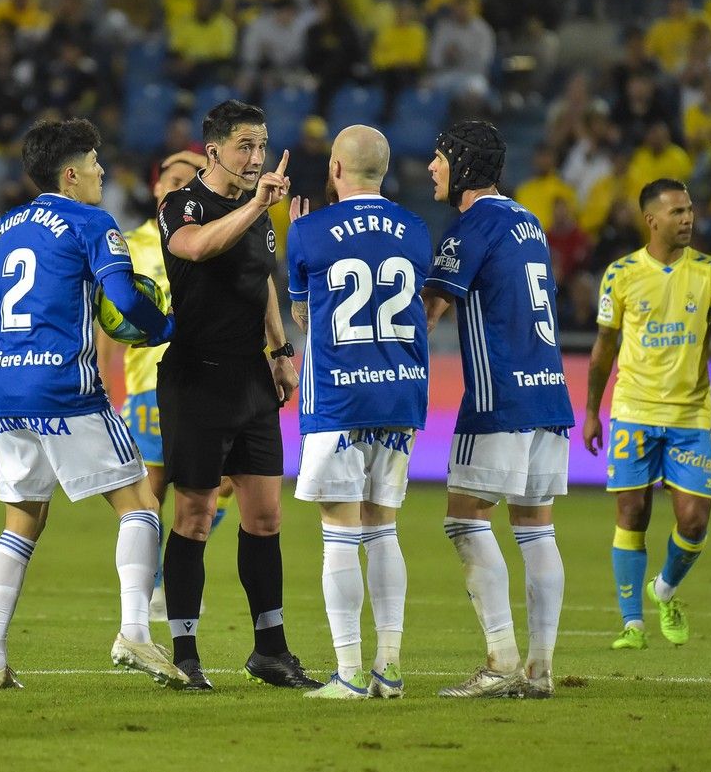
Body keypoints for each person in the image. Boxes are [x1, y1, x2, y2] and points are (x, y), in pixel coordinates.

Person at [0, 118, 186, 691]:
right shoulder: (90, 220)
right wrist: (164, 326)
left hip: (8, 391)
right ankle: (135, 634)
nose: (101, 173)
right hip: (65, 387)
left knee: (21, 521)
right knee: (140, 503)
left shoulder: (3, 228)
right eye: (94, 164)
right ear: (70, 175)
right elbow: (120, 296)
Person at [156, 99, 321, 691]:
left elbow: (263, 284)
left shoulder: (259, 212)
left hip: (250, 376)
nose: (255, 157)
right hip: (196, 376)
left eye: (261, 145)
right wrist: (255, 206)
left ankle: (270, 650)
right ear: (214, 150)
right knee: (196, 516)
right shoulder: (181, 204)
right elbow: (197, 248)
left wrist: (280, 353)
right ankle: (184, 651)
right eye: (245, 146)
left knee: (266, 516)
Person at [420, 121, 574, 700]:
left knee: (465, 518)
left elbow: (431, 310)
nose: (432, 169)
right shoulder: (527, 220)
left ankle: (501, 659)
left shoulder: (473, 225)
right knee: (535, 526)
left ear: (460, 164)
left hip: (499, 396)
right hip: (550, 390)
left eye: (439, 158)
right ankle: (539, 668)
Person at [286, 125, 431, 700]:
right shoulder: (417, 231)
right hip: (400, 395)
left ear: (337, 171)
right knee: (384, 528)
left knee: (339, 532)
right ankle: (388, 669)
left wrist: (301, 230)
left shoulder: (308, 231)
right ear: (384, 171)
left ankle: (348, 673)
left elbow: (305, 316)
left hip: (339, 399)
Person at [584, 178, 711, 651]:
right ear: (652, 220)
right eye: (677, 212)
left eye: (690, 210)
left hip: (691, 413)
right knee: (632, 511)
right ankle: (632, 624)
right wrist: (592, 411)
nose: (689, 219)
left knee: (694, 520)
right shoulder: (620, 274)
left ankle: (665, 591)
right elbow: (602, 351)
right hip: (633, 409)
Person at [101, 150, 234, 621]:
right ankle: (155, 587)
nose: (182, 188)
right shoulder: (129, 244)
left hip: (213, 375)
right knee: (152, 490)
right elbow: (109, 318)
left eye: (190, 180)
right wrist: (101, 379)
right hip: (149, 382)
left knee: (222, 485)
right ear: (158, 188)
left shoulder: (216, 235)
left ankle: (167, 574)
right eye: (175, 180)